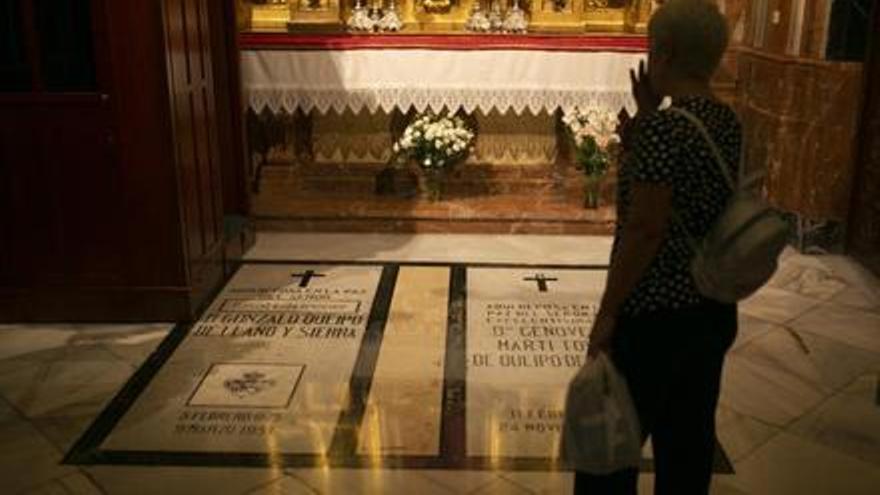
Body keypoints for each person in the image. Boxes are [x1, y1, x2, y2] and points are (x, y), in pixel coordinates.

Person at [577, 1, 740, 494]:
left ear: (662, 55)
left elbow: (646, 230)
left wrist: (607, 313)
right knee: (686, 447)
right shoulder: (726, 121)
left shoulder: (666, 131)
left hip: (654, 314)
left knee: (608, 453)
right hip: (710, 308)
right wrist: (646, 118)